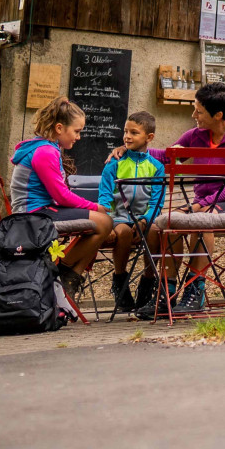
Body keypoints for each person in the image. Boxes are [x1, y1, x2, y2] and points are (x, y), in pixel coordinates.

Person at [143, 83, 225, 316]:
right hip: (202, 205)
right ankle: (167, 291)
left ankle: (196, 289)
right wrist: (134, 150)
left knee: (203, 221)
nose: (194, 116)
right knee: (166, 222)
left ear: (218, 115)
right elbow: (168, 157)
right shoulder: (196, 136)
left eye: (199, 111)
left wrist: (203, 205)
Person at [9, 97, 111, 295]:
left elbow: (59, 195)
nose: (78, 137)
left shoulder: (44, 147)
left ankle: (69, 277)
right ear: (59, 128)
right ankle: (60, 274)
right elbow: (62, 197)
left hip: (39, 210)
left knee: (103, 222)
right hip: (33, 215)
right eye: (77, 131)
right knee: (104, 222)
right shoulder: (45, 152)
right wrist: (94, 206)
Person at [96, 110, 164, 313]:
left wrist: (145, 220)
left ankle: (148, 282)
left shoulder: (156, 167)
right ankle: (120, 281)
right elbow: (105, 197)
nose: (127, 136)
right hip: (119, 218)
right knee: (124, 232)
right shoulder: (114, 163)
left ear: (149, 137)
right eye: (125, 131)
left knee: (154, 231)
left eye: (134, 132)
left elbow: (156, 201)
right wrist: (106, 220)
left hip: (145, 218)